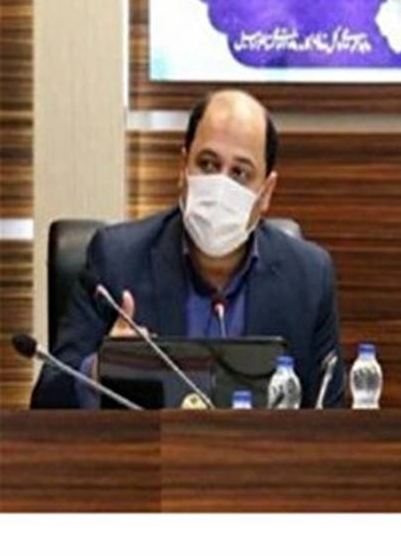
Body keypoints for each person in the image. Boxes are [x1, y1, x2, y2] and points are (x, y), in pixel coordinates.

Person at [31, 89, 345, 408]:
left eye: (240, 173)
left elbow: (332, 421)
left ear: (266, 192)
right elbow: (47, 401)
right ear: (183, 169)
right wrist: (101, 368)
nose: (220, 186)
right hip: (150, 442)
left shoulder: (308, 278)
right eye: (207, 164)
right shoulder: (116, 259)